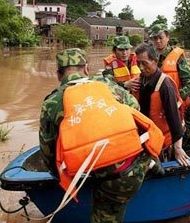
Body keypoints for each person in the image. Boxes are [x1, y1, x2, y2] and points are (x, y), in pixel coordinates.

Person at [39, 48, 164, 223]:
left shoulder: (52, 103)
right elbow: (135, 110)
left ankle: (147, 165)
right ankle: (150, 162)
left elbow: (48, 152)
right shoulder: (107, 85)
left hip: (117, 179)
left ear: (59, 75)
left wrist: (62, 176)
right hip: (136, 158)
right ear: (87, 69)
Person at [135, 43, 190, 167]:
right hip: (147, 135)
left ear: (154, 61)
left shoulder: (165, 85)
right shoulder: (141, 79)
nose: (141, 67)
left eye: (144, 63)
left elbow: (174, 119)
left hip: (163, 140)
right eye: (138, 63)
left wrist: (178, 148)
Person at [149, 23, 190, 104]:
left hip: (173, 99)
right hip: (154, 100)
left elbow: (188, 80)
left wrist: (178, 97)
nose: (158, 41)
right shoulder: (148, 55)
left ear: (167, 37)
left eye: (160, 37)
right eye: (155, 38)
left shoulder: (177, 55)